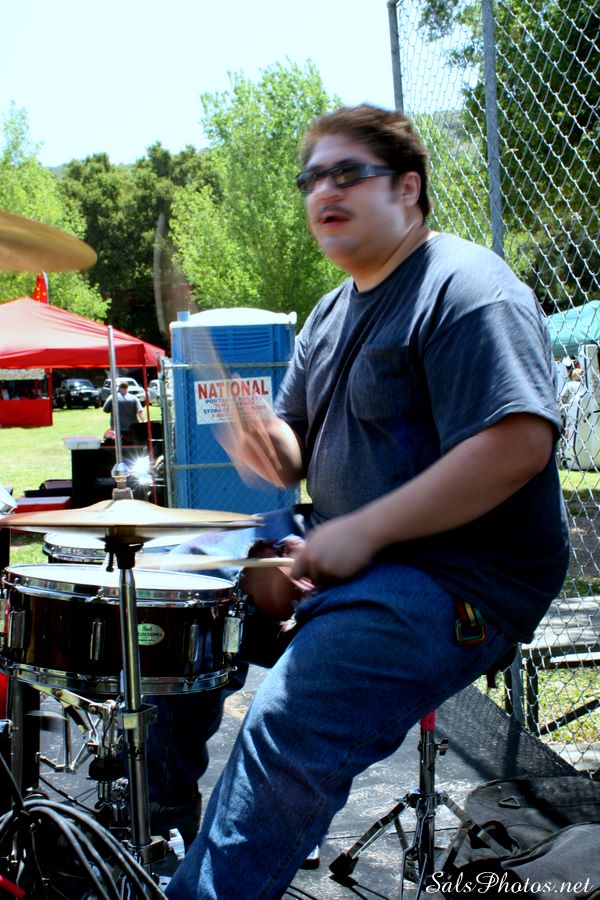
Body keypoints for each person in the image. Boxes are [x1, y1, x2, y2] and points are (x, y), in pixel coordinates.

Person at [165, 104, 570, 900]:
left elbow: (518, 443)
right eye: (311, 178)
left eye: (347, 173)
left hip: (460, 577)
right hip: (350, 551)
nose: (324, 190)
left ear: (407, 189)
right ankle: (163, 834)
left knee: (289, 716)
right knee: (169, 609)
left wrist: (362, 534)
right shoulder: (330, 312)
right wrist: (267, 443)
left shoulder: (466, 288)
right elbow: (295, 439)